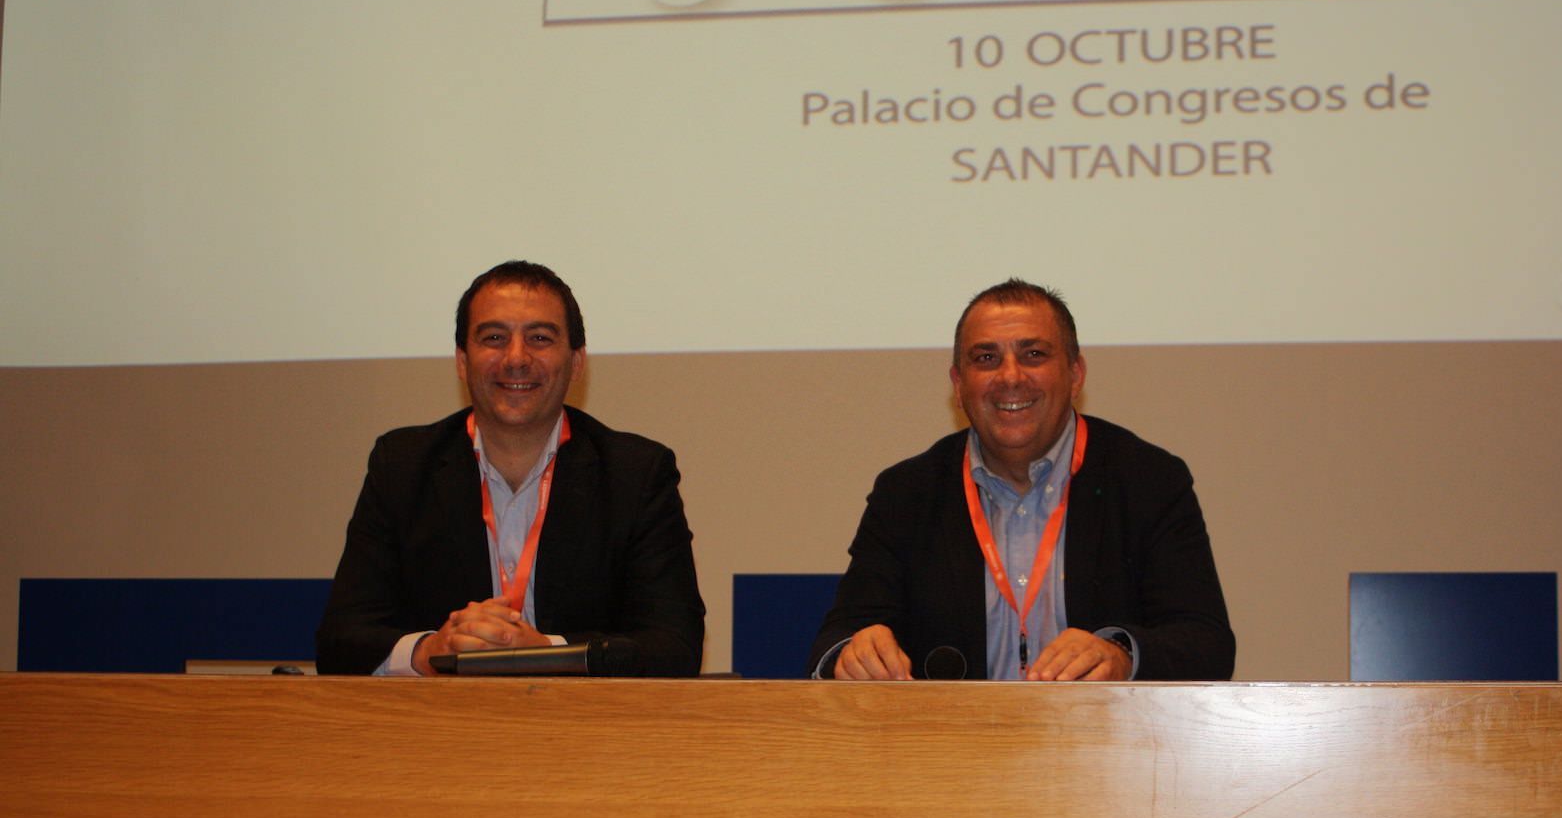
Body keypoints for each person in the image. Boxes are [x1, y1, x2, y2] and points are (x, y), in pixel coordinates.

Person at [810, 278, 1233, 682]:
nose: (1010, 377)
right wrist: (855, 653)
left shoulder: (1148, 479)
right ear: (958, 385)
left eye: (1033, 354)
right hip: (951, 747)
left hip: (1102, 744)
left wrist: (1122, 654)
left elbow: (1207, 644)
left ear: (1076, 374)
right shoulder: (907, 492)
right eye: (986, 358)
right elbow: (837, 639)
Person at [316, 260, 705, 677]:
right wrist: (429, 650)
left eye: (539, 337)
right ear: (463, 361)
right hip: (439, 729)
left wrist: (546, 651)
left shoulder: (636, 474)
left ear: (576, 363)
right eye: (494, 338)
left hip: (583, 731)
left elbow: (675, 645)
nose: (515, 359)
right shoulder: (403, 466)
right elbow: (341, 640)